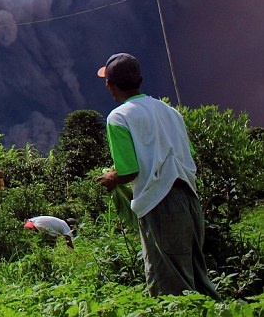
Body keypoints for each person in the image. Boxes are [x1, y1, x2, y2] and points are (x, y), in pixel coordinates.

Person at [94, 52, 220, 299]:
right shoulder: (171, 112)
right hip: (190, 201)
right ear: (140, 79)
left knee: (170, 288)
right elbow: (187, 155)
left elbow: (129, 170)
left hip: (161, 205)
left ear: (109, 84)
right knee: (198, 280)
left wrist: (112, 178)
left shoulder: (119, 117)